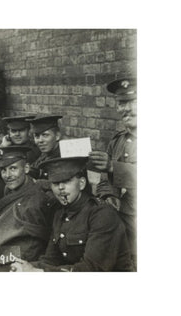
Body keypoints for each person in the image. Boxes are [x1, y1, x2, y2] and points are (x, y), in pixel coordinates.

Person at [11, 157, 133, 272]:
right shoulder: (60, 213)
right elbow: (51, 259)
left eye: (66, 181)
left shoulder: (102, 214)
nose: (61, 188)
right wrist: (28, 267)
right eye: (55, 183)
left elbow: (92, 269)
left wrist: (39, 271)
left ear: (81, 183)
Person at [89, 78, 137, 266]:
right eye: (122, 103)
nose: (128, 109)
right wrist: (108, 195)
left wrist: (112, 167)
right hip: (120, 224)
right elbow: (103, 181)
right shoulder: (117, 140)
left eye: (134, 102)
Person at [28, 114, 63, 181]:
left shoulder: (63, 157)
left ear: (57, 136)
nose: (40, 140)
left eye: (45, 135)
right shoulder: (44, 155)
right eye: (37, 136)